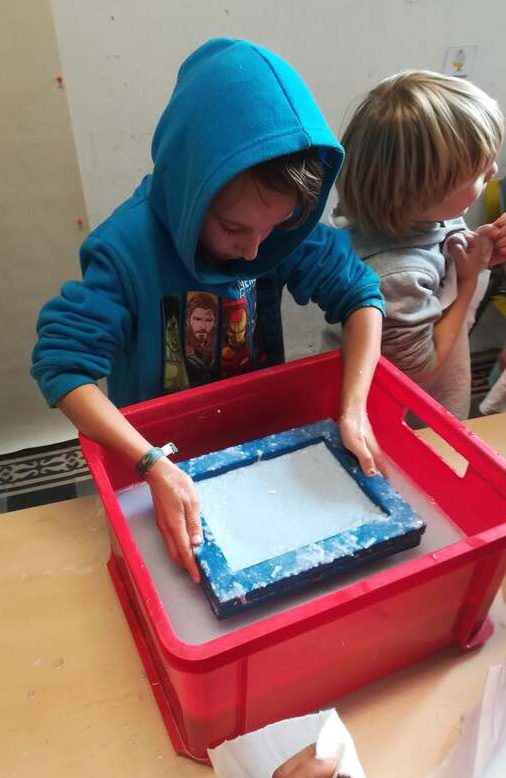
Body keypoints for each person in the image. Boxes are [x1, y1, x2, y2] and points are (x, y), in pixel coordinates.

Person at [31, 38, 384, 581]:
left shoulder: (272, 235)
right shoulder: (126, 251)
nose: (254, 251)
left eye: (274, 228)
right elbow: (62, 366)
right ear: (190, 188)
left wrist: (354, 409)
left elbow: (361, 296)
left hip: (252, 436)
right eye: (234, 228)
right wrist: (151, 462)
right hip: (153, 450)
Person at [330, 70, 505, 419]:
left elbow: (441, 256)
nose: (494, 171)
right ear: (428, 192)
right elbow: (420, 371)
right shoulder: (395, 274)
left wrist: (482, 253)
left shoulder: (415, 215)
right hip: (407, 419)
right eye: (480, 171)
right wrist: (468, 282)